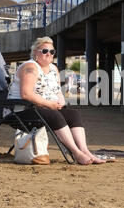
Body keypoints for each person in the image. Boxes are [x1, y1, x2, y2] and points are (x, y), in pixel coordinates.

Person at [6, 36, 105, 165]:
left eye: (52, 52)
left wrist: (61, 101)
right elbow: (26, 94)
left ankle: (85, 151)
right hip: (21, 111)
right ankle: (76, 153)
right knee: (54, 115)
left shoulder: (53, 69)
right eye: (44, 51)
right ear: (35, 52)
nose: (49, 54)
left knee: (73, 114)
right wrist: (49, 104)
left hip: (45, 109)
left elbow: (57, 91)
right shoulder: (29, 67)